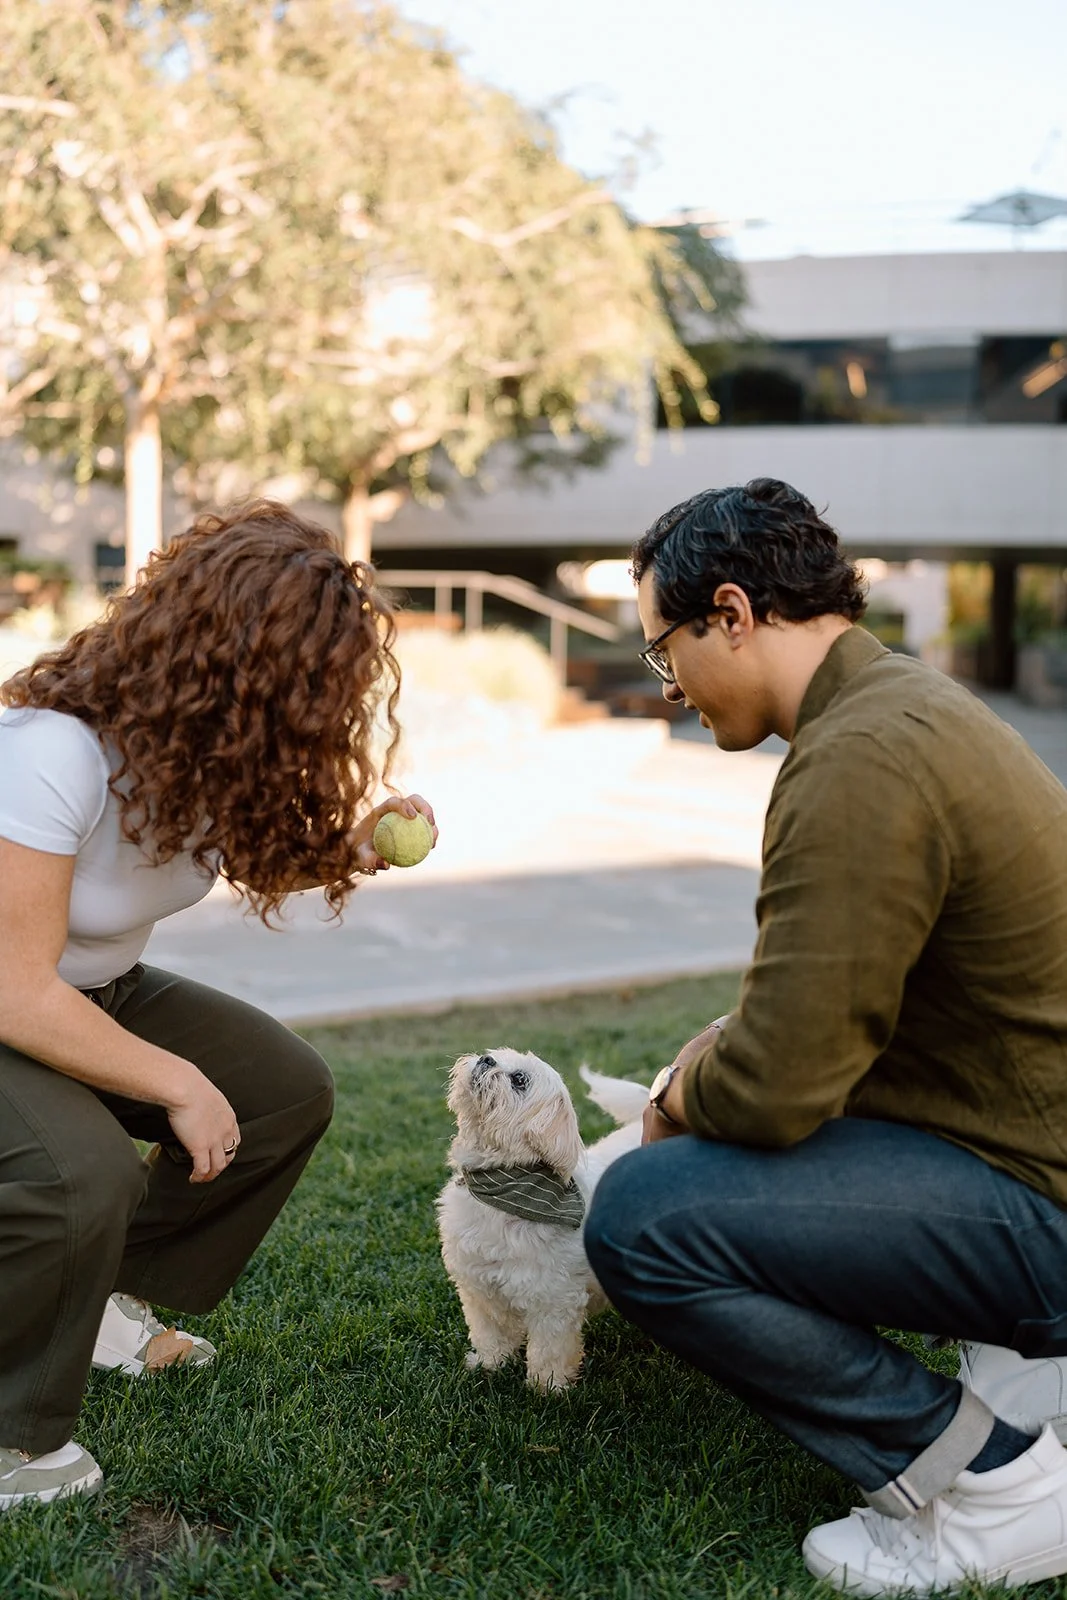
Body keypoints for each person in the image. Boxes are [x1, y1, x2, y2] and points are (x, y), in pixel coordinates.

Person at [583, 478, 1067, 1595]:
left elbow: (774, 1088)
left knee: (647, 1218)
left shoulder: (860, 755)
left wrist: (667, 1102)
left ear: (735, 613)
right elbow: (829, 1016)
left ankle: (998, 1490)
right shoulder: (901, 707)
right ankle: (1033, 1375)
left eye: (666, 653)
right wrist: (723, 1051)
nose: (671, 690)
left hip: (1038, 1192)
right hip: (1027, 1149)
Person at [0, 500, 436, 1509]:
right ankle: (14, 1438)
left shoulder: (208, 758)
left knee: (283, 1091)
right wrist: (174, 1081)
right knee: (81, 1171)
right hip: (17, 998)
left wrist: (355, 843)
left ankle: (96, 1300)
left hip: (83, 993)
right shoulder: (50, 749)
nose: (327, 714)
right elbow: (16, 990)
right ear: (231, 669)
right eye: (311, 688)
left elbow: (248, 854)